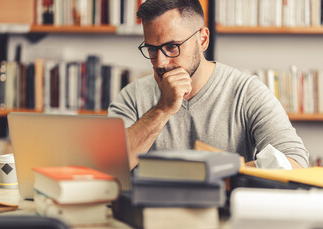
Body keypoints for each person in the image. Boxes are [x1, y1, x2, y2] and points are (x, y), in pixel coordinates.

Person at [108, 0, 309, 170]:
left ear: (203, 40)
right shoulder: (131, 96)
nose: (160, 62)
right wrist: (163, 109)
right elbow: (110, 165)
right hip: (148, 215)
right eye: (152, 49)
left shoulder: (246, 92)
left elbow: (295, 161)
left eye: (172, 47)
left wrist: (216, 172)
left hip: (224, 214)